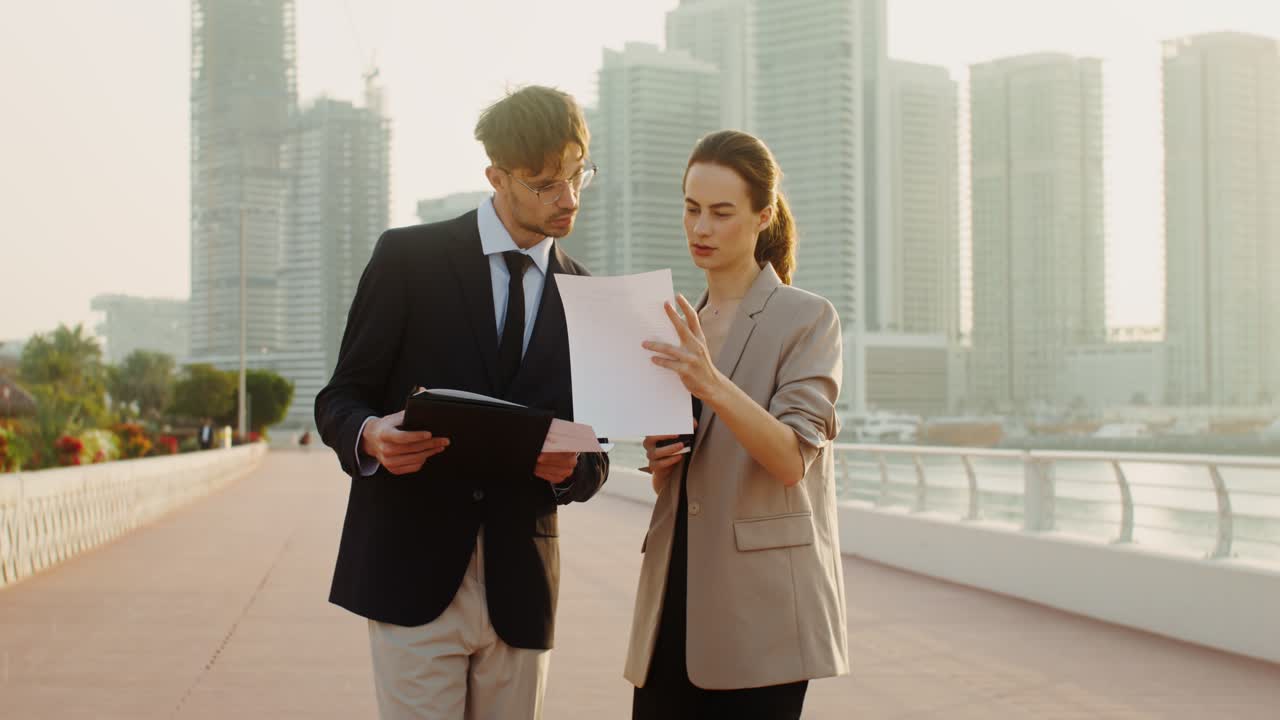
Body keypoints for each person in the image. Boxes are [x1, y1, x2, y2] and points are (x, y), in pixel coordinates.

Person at [314, 85, 610, 720]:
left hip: (521, 588)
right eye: (544, 183)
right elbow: (340, 396)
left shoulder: (589, 295)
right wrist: (370, 436)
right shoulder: (407, 259)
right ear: (496, 177)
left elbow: (597, 450)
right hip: (410, 573)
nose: (569, 198)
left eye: (578, 174)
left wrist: (573, 472)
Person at [625, 130, 848, 719]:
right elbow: (691, 482)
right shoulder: (676, 323)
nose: (701, 228)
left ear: (762, 216)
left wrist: (710, 383)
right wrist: (662, 463)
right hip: (673, 594)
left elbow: (790, 459)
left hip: (762, 610)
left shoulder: (807, 319)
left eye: (722, 212)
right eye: (692, 208)